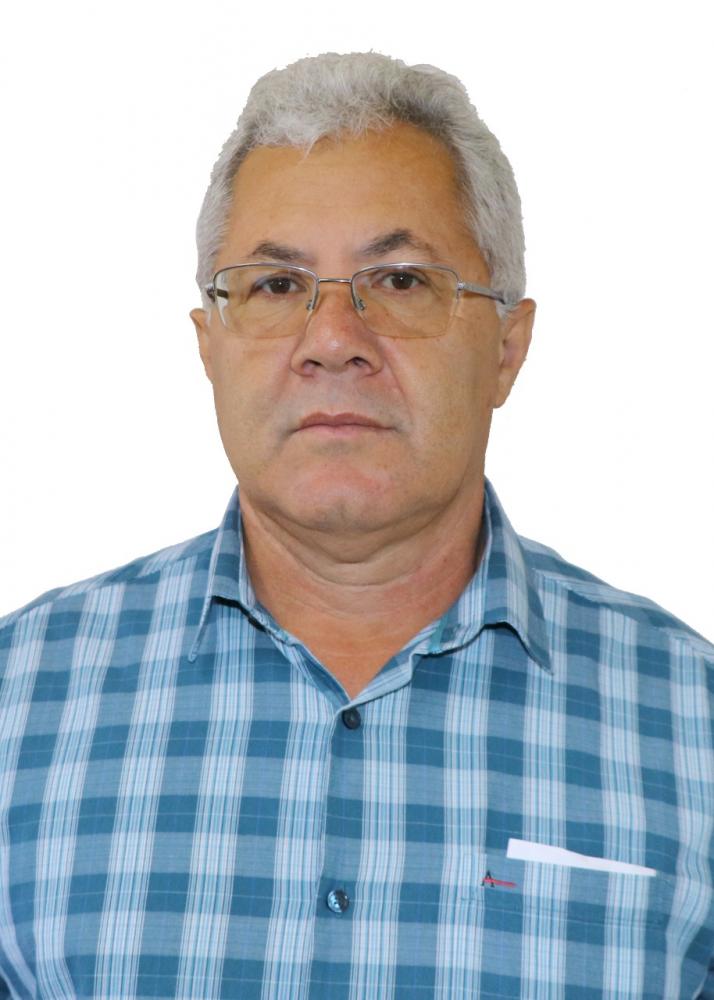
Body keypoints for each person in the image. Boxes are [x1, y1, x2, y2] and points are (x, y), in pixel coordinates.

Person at [0, 50, 711, 1000]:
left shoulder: (693, 728)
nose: (333, 340)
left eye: (403, 280)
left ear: (507, 347)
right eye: (275, 285)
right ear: (210, 346)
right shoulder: (18, 706)